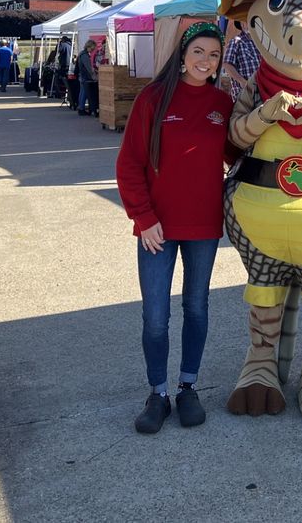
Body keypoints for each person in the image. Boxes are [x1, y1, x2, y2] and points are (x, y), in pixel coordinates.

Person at [115, 22, 234, 435]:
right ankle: (157, 393)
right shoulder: (154, 97)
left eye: (214, 55)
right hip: (157, 229)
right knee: (155, 316)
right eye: (198, 52)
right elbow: (129, 164)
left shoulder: (223, 102)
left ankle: (188, 386)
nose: (205, 61)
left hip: (203, 225)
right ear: (182, 54)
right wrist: (144, 219)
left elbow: (240, 154)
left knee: (197, 307)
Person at [221, 20, 260, 101]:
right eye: (247, 22)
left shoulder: (259, 43)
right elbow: (226, 64)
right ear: (242, 25)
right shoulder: (236, 41)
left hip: (260, 92)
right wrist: (242, 81)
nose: (252, 24)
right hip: (243, 94)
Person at [76, 40, 97, 115]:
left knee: (82, 92)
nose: (92, 50)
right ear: (89, 46)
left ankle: (80, 107)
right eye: (92, 48)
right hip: (85, 77)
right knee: (84, 93)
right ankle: (81, 109)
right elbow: (88, 68)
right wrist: (94, 76)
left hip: (82, 76)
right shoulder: (85, 55)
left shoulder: (82, 54)